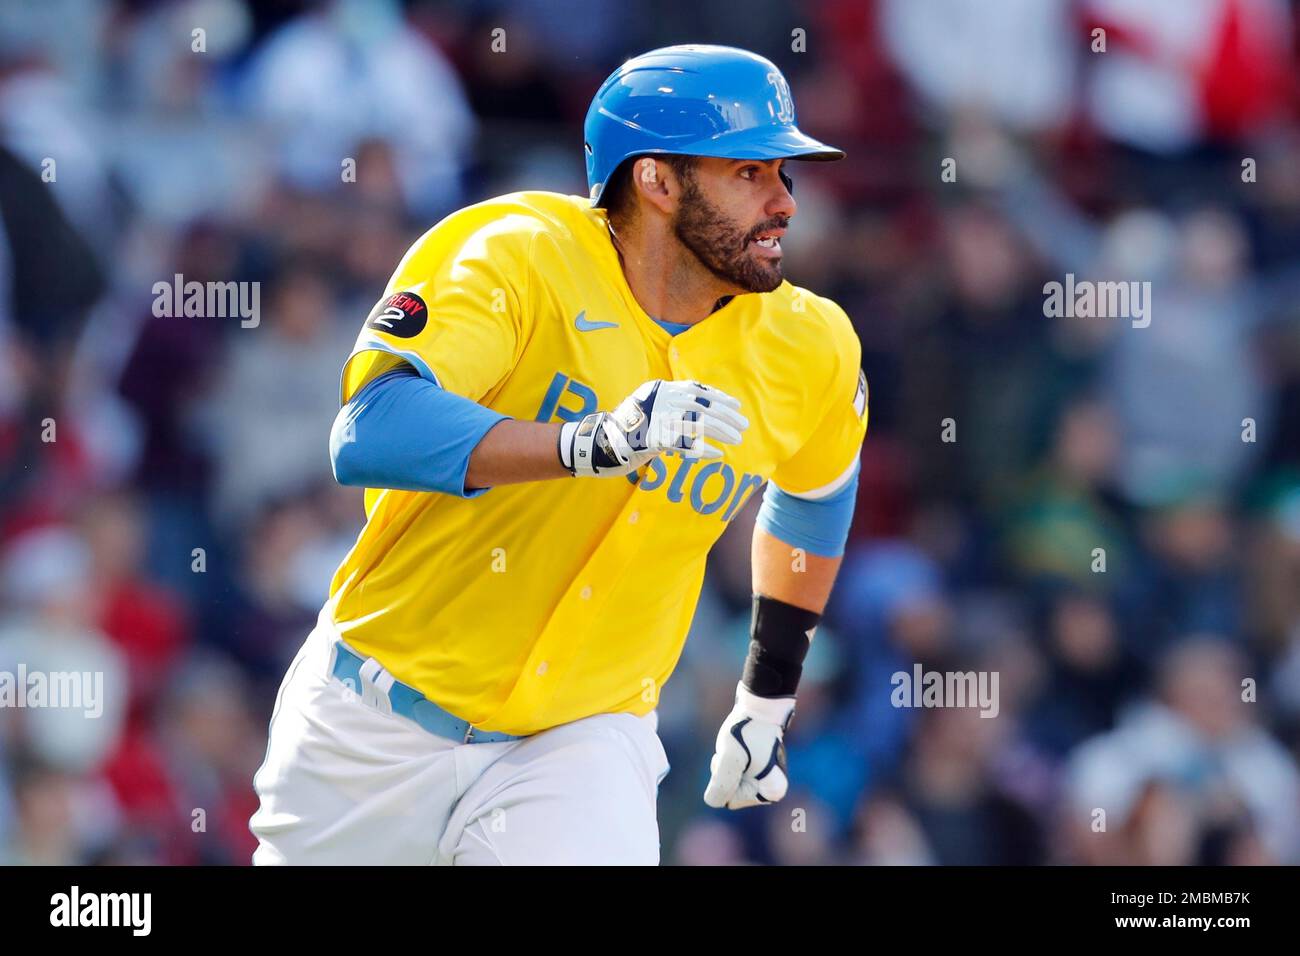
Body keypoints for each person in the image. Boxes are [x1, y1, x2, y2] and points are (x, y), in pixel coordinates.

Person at [249, 44, 868, 865]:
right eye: (750, 172)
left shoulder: (810, 343)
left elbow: (818, 495)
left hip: (581, 743)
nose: (785, 202)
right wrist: (592, 442)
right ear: (656, 180)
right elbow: (371, 431)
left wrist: (768, 692)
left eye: (786, 175)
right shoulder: (515, 251)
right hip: (374, 722)